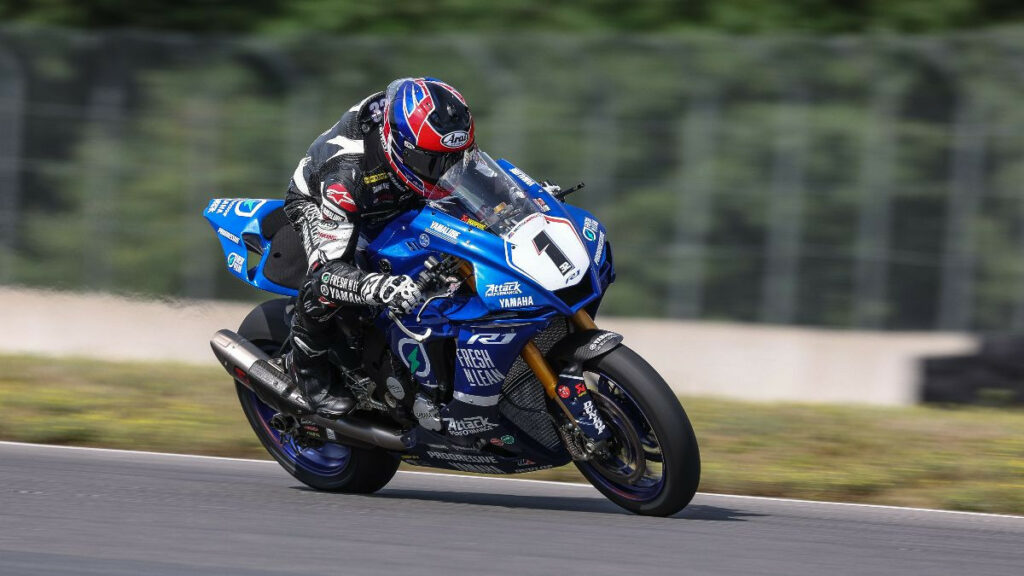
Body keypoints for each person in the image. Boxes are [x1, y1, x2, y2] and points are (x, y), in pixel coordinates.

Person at [283, 77, 475, 417]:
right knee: (325, 287)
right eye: (433, 162)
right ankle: (307, 371)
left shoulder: (424, 138)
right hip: (327, 201)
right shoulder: (344, 174)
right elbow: (327, 274)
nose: (445, 171)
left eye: (454, 159)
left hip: (399, 194)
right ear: (395, 144)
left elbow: (473, 174)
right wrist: (380, 287)